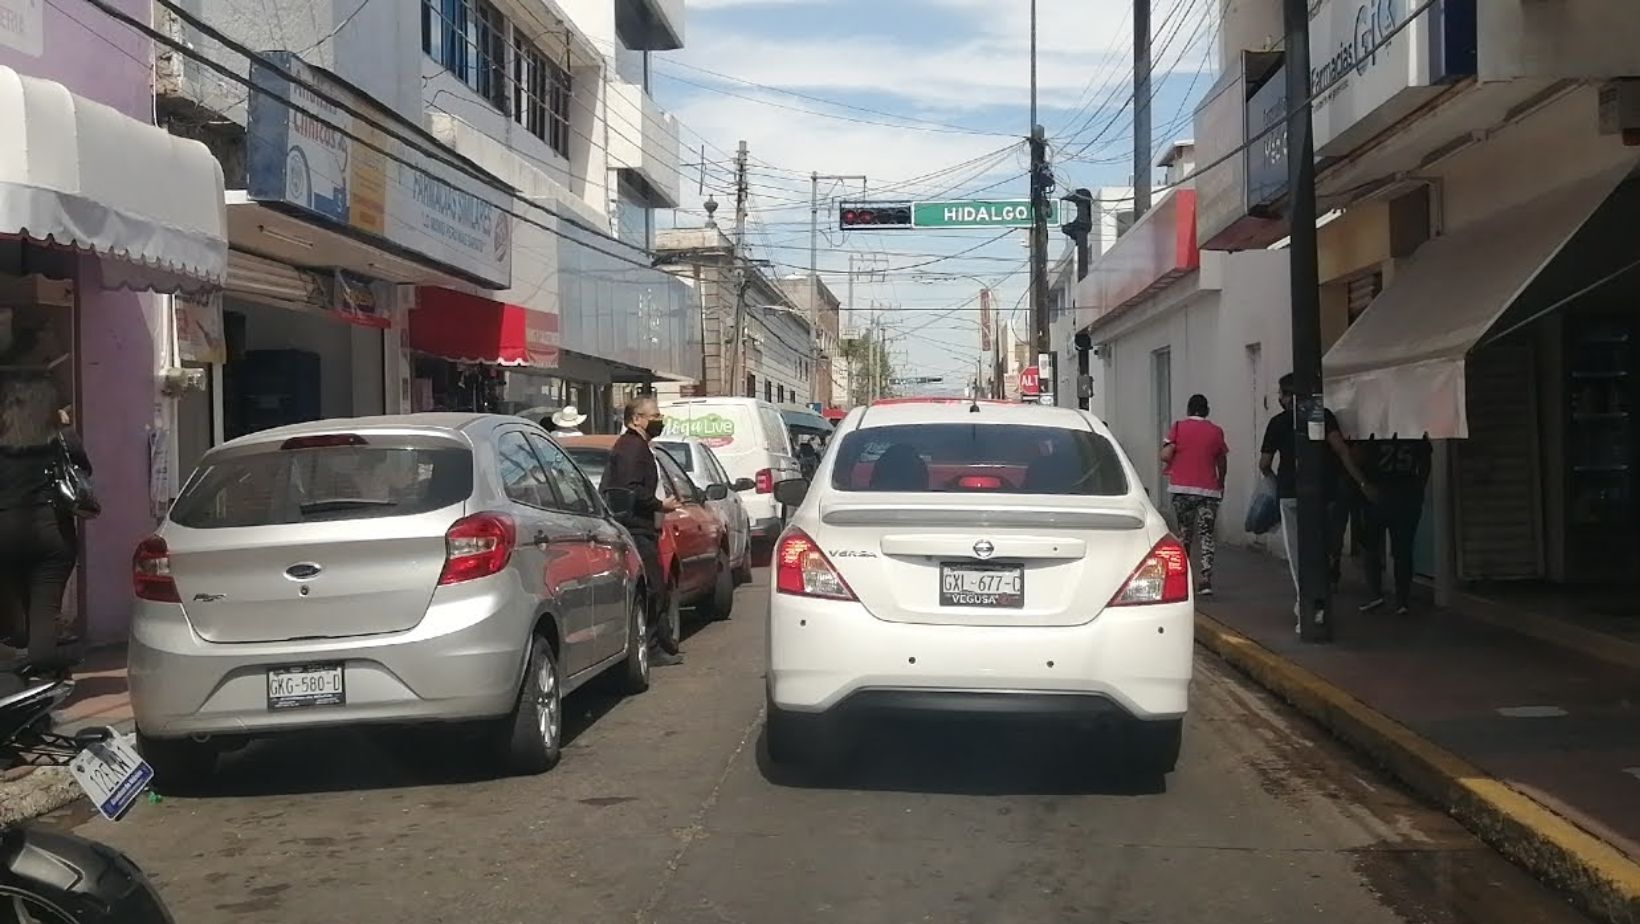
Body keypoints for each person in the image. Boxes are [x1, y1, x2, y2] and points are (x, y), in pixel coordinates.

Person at [1258, 374, 1374, 627]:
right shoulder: (1320, 414)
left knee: (1298, 553)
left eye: (1281, 393)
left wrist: (1275, 483)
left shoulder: (1278, 423)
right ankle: (1321, 596)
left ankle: (1306, 604)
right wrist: (1362, 482)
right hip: (1324, 492)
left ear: (1286, 396)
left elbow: (1264, 464)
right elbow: (1341, 450)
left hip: (1290, 494)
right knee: (1322, 546)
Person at [0, 327, 87, 663]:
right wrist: (63, 422)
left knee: (21, 603)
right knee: (44, 609)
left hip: (6, 533)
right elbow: (83, 468)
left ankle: (25, 671)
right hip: (50, 532)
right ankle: (43, 676)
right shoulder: (61, 436)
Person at [600, 397, 683, 666]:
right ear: (636, 418)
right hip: (634, 528)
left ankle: (662, 643)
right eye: (654, 415)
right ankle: (652, 647)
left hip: (643, 527)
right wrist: (660, 504)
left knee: (657, 586)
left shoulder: (638, 447)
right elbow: (631, 489)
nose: (659, 420)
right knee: (652, 588)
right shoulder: (631, 449)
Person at [1357, 434, 1433, 615]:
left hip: (1378, 492)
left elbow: (1359, 458)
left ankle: (1376, 594)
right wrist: (1419, 486)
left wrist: (1363, 484)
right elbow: (1426, 461)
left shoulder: (1374, 432)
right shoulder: (1413, 432)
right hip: (1405, 492)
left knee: (1371, 546)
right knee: (1403, 550)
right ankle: (1402, 600)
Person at [1160, 394, 1228, 596]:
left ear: (1189, 409)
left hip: (1181, 489)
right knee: (1207, 534)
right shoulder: (1216, 432)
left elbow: (1165, 454)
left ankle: (1184, 576)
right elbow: (1222, 462)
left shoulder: (1178, 427)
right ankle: (1206, 579)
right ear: (1207, 410)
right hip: (1208, 490)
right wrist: (1221, 482)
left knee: (1184, 533)